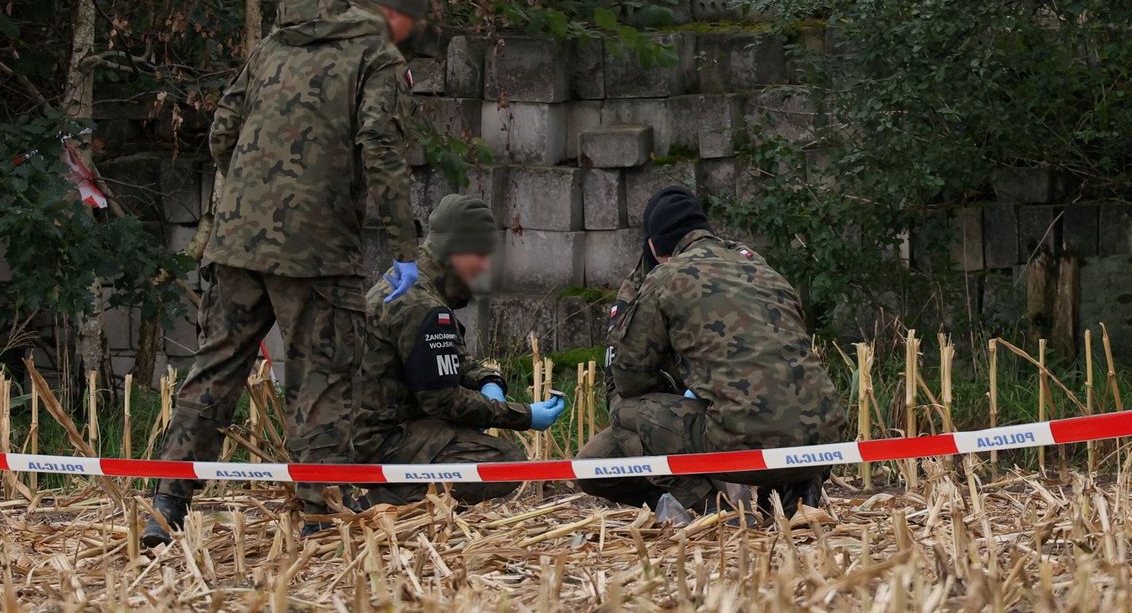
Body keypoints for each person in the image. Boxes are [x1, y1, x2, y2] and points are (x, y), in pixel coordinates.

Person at [142, 0, 430, 547]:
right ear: (398, 10)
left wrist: (255, 196)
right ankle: (321, 515)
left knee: (215, 368)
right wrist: (406, 249)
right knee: (322, 377)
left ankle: (166, 506)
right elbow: (381, 150)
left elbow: (222, 132)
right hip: (317, 251)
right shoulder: (378, 56)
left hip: (236, 241)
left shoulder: (277, 42)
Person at [577, 186, 848, 525]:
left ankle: (714, 510)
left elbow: (628, 379)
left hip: (739, 437)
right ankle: (797, 496)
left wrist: (677, 380)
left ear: (653, 246)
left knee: (624, 409)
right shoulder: (760, 267)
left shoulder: (664, 277)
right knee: (596, 462)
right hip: (822, 437)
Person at [349, 194, 566, 509]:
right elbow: (443, 400)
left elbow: (451, 361)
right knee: (505, 463)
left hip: (376, 430)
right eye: (479, 254)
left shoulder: (411, 286)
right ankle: (386, 501)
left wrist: (488, 380)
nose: (485, 265)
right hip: (382, 440)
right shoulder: (422, 306)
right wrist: (524, 415)